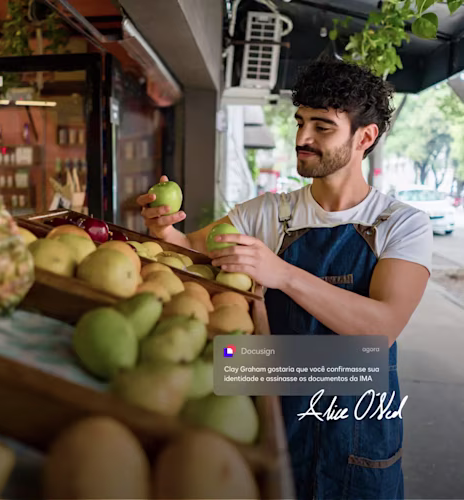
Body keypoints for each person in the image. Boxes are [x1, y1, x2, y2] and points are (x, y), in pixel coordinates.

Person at [137, 59, 432, 500]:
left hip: (356, 437)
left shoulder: (401, 224)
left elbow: (380, 330)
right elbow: (189, 250)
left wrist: (281, 275)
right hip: (272, 418)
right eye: (300, 122)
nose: (302, 139)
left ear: (365, 137)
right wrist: (164, 231)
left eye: (323, 127)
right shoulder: (268, 213)